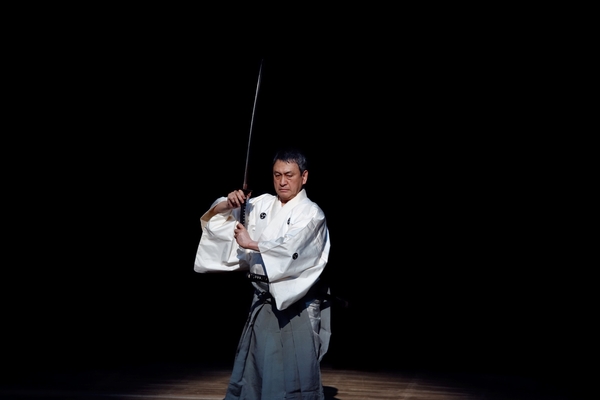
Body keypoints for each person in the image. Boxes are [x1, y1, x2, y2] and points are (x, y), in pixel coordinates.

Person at [194, 146, 332, 399]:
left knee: (295, 371)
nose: (282, 181)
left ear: (304, 176)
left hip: (296, 304)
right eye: (277, 175)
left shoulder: (311, 213)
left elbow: (292, 248)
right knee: (256, 371)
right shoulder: (263, 204)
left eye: (289, 175)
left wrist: (251, 243)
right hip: (263, 299)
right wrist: (228, 202)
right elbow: (221, 220)